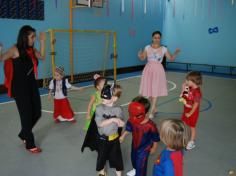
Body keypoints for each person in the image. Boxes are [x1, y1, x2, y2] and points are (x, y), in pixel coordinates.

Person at [0, 25, 45, 153]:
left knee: (37, 112)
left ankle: (23, 133)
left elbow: (42, 56)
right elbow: (1, 58)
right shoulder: (15, 49)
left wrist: (42, 41)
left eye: (35, 36)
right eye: (32, 37)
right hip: (19, 88)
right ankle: (30, 144)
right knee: (26, 115)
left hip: (31, 85)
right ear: (25, 37)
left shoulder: (32, 49)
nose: (34, 39)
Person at [138, 31, 180, 118]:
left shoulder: (164, 49)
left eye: (158, 38)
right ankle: (155, 108)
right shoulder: (147, 47)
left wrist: (175, 53)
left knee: (155, 90)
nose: (157, 39)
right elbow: (143, 58)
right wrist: (139, 55)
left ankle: (151, 112)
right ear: (152, 38)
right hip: (148, 70)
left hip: (158, 70)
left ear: (160, 38)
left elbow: (171, 58)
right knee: (149, 91)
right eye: (155, 37)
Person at [119, 96, 160, 176]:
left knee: (141, 165)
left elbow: (155, 138)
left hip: (144, 149)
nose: (133, 117)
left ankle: (139, 173)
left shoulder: (150, 126)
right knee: (133, 159)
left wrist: (154, 148)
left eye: (137, 115)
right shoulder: (132, 119)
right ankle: (135, 169)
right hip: (134, 145)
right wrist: (123, 136)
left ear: (146, 113)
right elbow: (128, 129)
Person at [95, 84, 125, 176]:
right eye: (102, 94)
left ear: (114, 98)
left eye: (106, 95)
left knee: (117, 159)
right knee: (101, 158)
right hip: (102, 140)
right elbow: (99, 123)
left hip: (114, 140)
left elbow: (122, 124)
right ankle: (101, 172)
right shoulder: (99, 108)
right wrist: (113, 119)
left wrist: (121, 122)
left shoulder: (118, 109)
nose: (102, 97)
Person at [181, 71, 202, 150]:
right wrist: (183, 88)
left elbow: (196, 105)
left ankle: (192, 142)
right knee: (184, 123)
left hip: (192, 112)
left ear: (193, 82)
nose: (186, 81)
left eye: (187, 80)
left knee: (192, 127)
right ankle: (184, 137)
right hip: (186, 110)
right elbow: (184, 96)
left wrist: (190, 113)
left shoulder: (197, 92)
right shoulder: (189, 87)